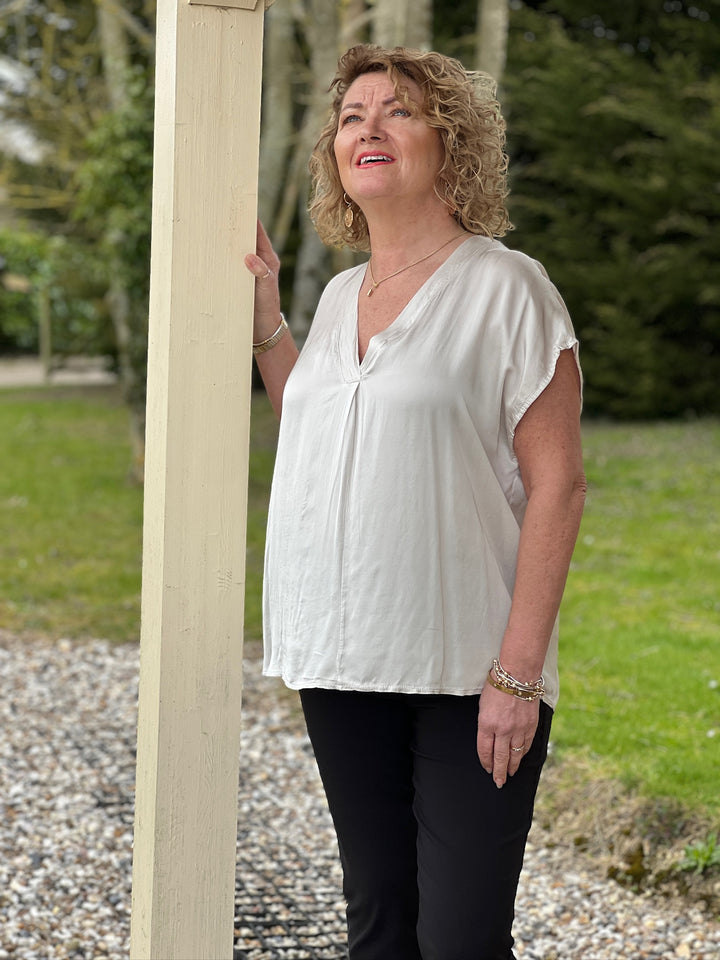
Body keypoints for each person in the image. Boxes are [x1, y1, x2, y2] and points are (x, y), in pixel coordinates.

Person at [244, 43, 586, 960]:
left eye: (397, 110)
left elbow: (559, 486)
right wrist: (269, 318)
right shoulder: (340, 294)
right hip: (344, 662)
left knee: (462, 940)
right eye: (353, 116)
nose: (369, 128)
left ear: (451, 141)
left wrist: (517, 676)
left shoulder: (509, 288)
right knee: (380, 925)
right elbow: (316, 418)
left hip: (469, 674)